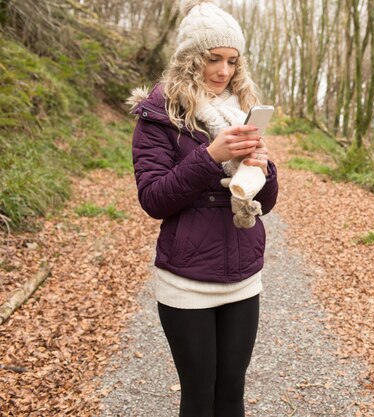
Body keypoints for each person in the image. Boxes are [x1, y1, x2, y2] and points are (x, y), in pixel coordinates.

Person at [128, 1, 278, 416]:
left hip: (243, 277)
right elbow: (154, 200)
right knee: (199, 395)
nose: (223, 71)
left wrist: (263, 169)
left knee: (231, 393)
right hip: (186, 282)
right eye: (213, 59)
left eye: (232, 61)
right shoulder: (159, 118)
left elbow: (264, 202)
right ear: (190, 59)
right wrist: (210, 156)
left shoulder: (238, 112)